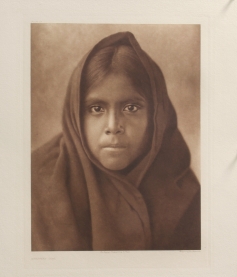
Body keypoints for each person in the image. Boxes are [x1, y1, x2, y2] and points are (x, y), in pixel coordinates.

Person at [32, 31, 200, 251]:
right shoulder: (35, 183)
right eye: (96, 109)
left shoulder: (181, 188)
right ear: (75, 115)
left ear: (157, 116)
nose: (113, 126)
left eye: (131, 108)